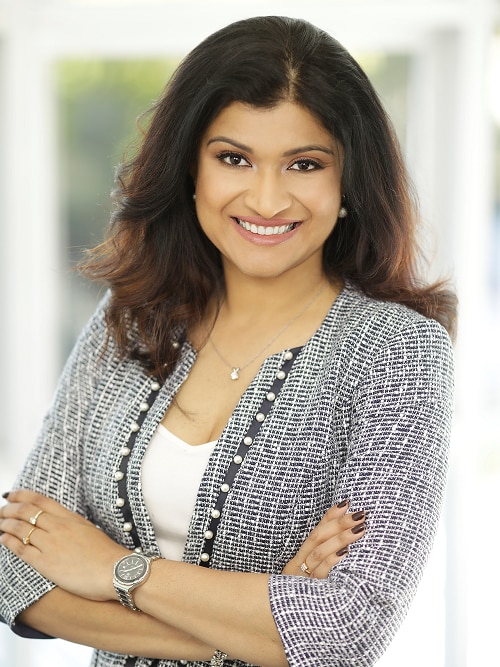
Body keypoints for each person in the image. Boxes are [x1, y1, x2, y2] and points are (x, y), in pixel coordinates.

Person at [0, 15, 456, 667]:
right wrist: (259, 620)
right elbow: (15, 573)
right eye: (233, 158)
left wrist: (114, 570)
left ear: (347, 181)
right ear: (191, 168)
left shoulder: (397, 352)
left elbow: (346, 631)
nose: (266, 199)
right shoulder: (130, 313)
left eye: (304, 163)